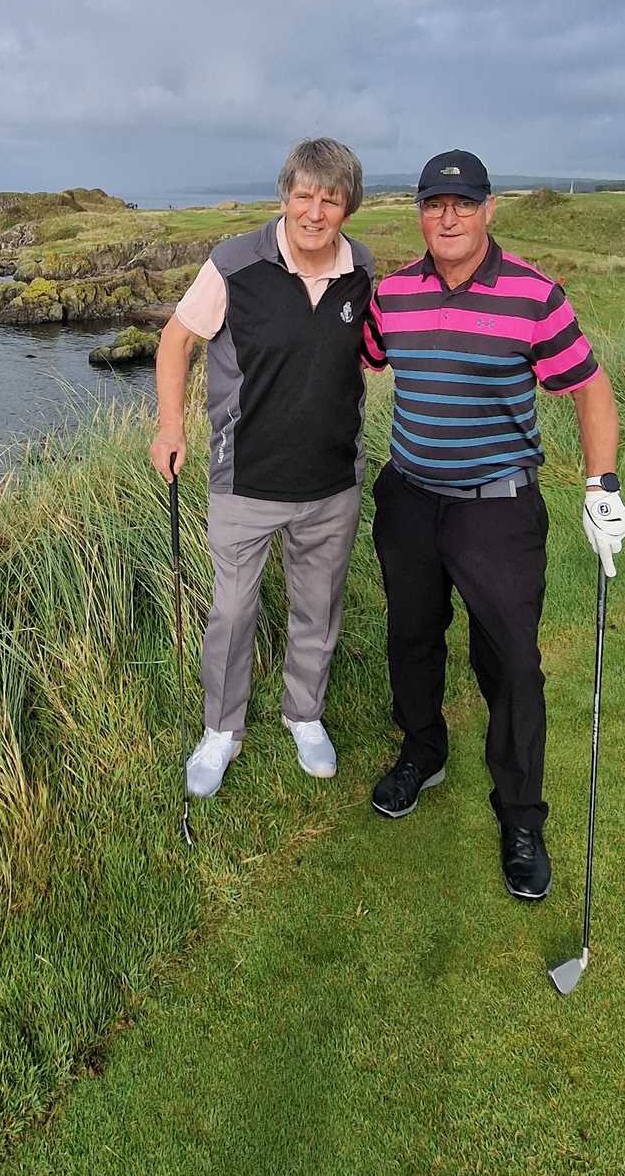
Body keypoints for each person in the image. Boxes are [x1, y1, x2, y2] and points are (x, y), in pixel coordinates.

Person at [360, 150, 625, 900]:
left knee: (511, 662)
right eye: (434, 203)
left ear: (488, 210)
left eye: (464, 203)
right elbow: (361, 359)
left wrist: (601, 484)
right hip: (410, 497)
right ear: (419, 211)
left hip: (499, 506)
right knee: (411, 635)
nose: (448, 217)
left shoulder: (533, 295)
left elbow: (589, 389)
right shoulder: (394, 294)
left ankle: (520, 814)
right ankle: (424, 751)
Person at [150, 138, 375, 797]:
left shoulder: (361, 268)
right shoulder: (234, 264)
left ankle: (305, 713)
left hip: (331, 482)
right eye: (304, 195)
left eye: (330, 199)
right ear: (285, 196)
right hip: (243, 480)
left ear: (346, 208)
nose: (314, 211)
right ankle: (221, 729)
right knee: (232, 613)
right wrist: (170, 425)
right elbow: (176, 340)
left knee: (318, 607)